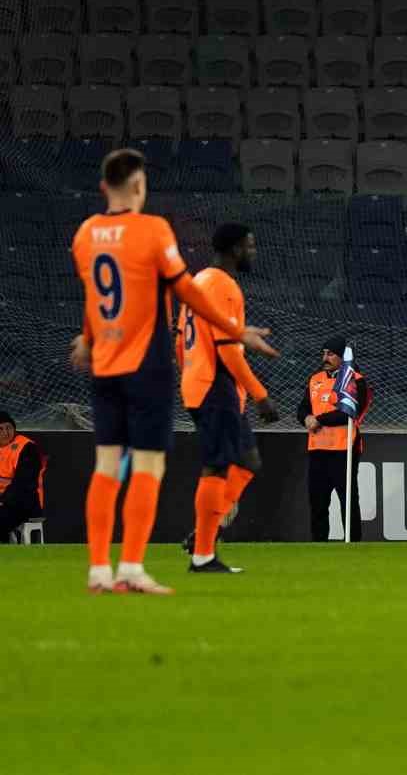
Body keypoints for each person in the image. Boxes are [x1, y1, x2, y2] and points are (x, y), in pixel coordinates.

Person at [70, 147, 275, 594]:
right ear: (140, 187)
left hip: (105, 362)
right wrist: (240, 335)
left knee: (107, 466)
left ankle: (99, 569)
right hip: (148, 366)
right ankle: (151, 563)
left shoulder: (85, 234)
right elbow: (185, 292)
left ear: (104, 187)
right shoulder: (154, 233)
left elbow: (92, 298)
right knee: (152, 466)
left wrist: (87, 339)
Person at [178, 223, 278, 573]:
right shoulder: (223, 286)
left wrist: (190, 373)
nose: (253, 251)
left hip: (201, 382)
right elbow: (228, 350)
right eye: (249, 246)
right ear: (235, 249)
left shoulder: (198, 281)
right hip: (214, 385)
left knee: (248, 461)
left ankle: (205, 534)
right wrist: (260, 394)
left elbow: (180, 341)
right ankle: (203, 554)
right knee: (218, 465)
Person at [302, 336, 371, 541]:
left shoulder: (355, 380)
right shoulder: (315, 379)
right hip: (317, 449)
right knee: (317, 501)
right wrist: (306, 418)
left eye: (330, 353)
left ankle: (353, 543)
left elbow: (349, 412)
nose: (325, 357)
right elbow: (302, 408)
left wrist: (318, 420)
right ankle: (319, 544)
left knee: (348, 500)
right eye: (324, 353)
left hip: (344, 448)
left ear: (342, 356)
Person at [0, 411, 46, 538]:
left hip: (23, 503)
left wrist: (2, 500)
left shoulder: (26, 447)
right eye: (0, 429)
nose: (5, 432)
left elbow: (23, 484)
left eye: (8, 428)